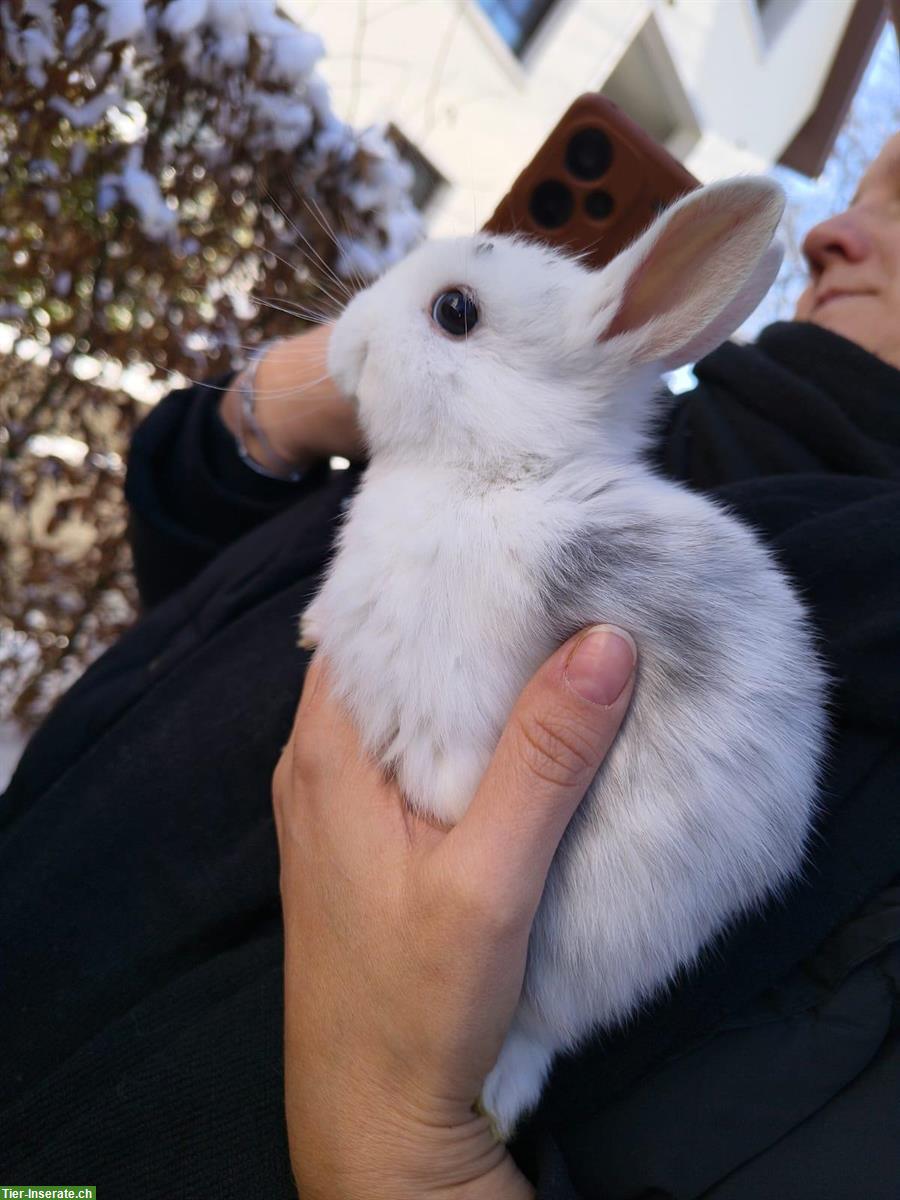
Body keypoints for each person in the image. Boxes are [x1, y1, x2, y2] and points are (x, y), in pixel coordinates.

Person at [1, 134, 898, 1197]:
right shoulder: (497, 463)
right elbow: (203, 576)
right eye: (861, 187)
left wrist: (398, 1143)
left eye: (455, 314)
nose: (837, 230)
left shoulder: (682, 556)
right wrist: (278, 406)